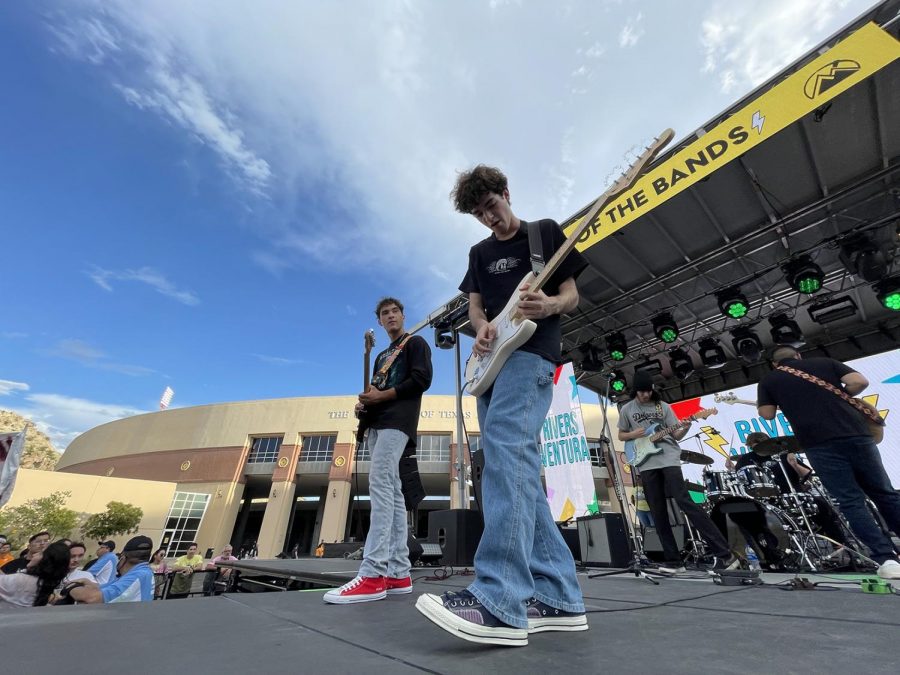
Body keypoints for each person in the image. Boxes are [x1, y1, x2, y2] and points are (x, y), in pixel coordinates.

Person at [415, 166, 587, 646]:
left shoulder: (544, 233)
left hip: (531, 355)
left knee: (508, 458)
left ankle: (500, 600)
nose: (488, 218)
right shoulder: (479, 253)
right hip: (492, 360)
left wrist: (548, 306)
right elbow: (473, 306)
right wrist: (482, 326)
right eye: (478, 213)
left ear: (507, 194)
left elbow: (572, 294)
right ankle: (559, 597)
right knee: (514, 468)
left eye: (491, 205)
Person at [757, 346, 900, 579]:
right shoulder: (824, 363)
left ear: (774, 364)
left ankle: (887, 559)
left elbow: (767, 414)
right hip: (856, 433)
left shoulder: (769, 380)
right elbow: (859, 382)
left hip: (818, 443)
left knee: (851, 502)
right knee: (886, 493)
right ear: (798, 356)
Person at [325, 297, 433, 604]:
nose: (390, 316)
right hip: (376, 424)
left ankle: (373, 573)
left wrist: (382, 396)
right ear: (380, 321)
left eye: (394, 311)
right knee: (393, 491)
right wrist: (366, 403)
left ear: (402, 315)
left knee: (381, 484)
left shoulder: (415, 344)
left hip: (398, 422)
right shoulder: (381, 355)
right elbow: (376, 390)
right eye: (384, 314)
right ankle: (398, 573)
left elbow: (421, 379)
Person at [619, 371, 739, 574]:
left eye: (648, 391)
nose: (645, 395)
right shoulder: (627, 409)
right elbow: (622, 434)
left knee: (684, 501)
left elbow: (675, 434)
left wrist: (687, 425)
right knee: (657, 510)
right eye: (641, 392)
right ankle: (673, 561)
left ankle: (725, 553)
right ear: (635, 392)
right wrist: (633, 434)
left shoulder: (662, 407)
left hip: (668, 457)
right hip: (646, 462)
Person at [66, 535, 155, 604]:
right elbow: (108, 586)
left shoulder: (137, 576)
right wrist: (86, 581)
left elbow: (92, 598)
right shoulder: (145, 572)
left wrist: (69, 588)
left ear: (123, 558)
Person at [0, 540, 70, 607]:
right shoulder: (46, 582)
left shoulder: (24, 580)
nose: (34, 555)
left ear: (45, 560)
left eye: (39, 553)